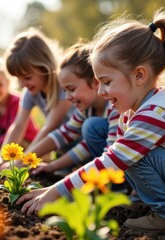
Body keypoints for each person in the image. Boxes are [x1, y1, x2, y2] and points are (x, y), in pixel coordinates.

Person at [16, 8, 165, 238]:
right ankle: (162, 209)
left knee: (132, 153)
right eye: (98, 83)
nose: (101, 91)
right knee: (130, 151)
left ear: (139, 75)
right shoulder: (135, 112)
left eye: (106, 82)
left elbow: (112, 160)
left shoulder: (155, 113)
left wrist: (55, 192)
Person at [27, 41, 119, 177]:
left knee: (91, 126)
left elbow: (113, 155)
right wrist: (28, 161)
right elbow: (63, 135)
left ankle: (119, 189)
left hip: (118, 167)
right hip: (108, 164)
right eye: (64, 90)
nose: (67, 97)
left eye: (71, 89)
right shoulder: (86, 110)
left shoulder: (115, 107)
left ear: (95, 82)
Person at [0, 28, 73, 173]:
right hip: (60, 147)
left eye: (27, 77)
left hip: (79, 144)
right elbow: (18, 125)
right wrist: (2, 157)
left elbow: (49, 127)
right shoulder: (30, 92)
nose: (21, 84)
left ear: (45, 67)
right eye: (18, 78)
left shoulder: (63, 87)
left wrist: (22, 161)